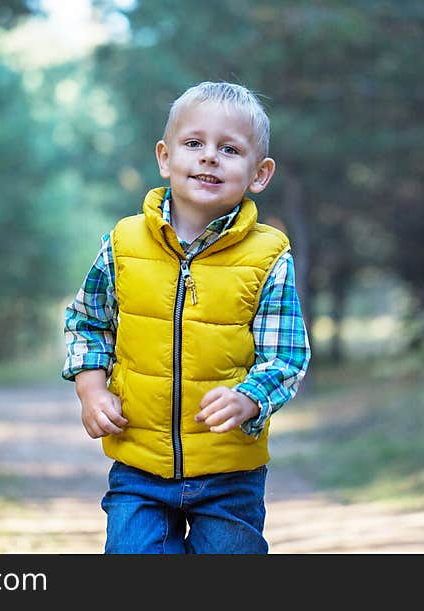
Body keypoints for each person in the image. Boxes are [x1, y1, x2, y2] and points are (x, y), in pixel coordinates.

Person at [62, 81, 310, 554]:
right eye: (194, 143)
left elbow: (286, 355)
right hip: (138, 466)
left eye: (229, 148)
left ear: (259, 173)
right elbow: (87, 322)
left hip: (229, 472)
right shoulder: (123, 243)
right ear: (164, 157)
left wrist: (250, 399)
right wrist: (91, 390)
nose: (209, 157)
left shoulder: (268, 256)